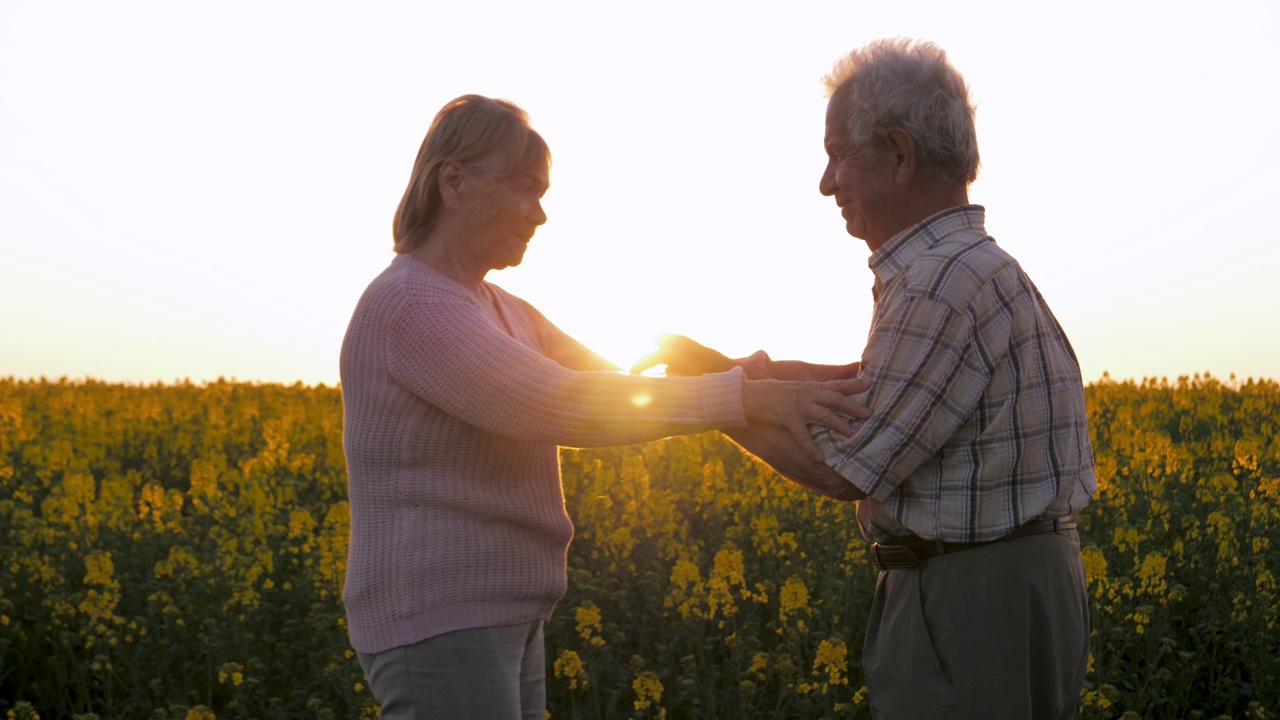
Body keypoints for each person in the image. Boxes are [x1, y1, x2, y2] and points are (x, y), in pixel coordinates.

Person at [338, 94, 871, 720]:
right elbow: (558, 402)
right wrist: (748, 397)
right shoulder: (412, 305)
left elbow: (617, 379)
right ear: (454, 181)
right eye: (526, 189)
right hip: (438, 617)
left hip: (497, 614)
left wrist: (727, 367)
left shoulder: (496, 306)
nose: (540, 214)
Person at [637, 39, 1097, 720]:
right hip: (1011, 585)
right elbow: (872, 388)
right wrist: (721, 367)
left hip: (967, 598)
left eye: (839, 155)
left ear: (900, 154)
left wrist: (707, 403)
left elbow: (842, 466)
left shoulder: (937, 285)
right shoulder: (967, 267)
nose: (827, 182)